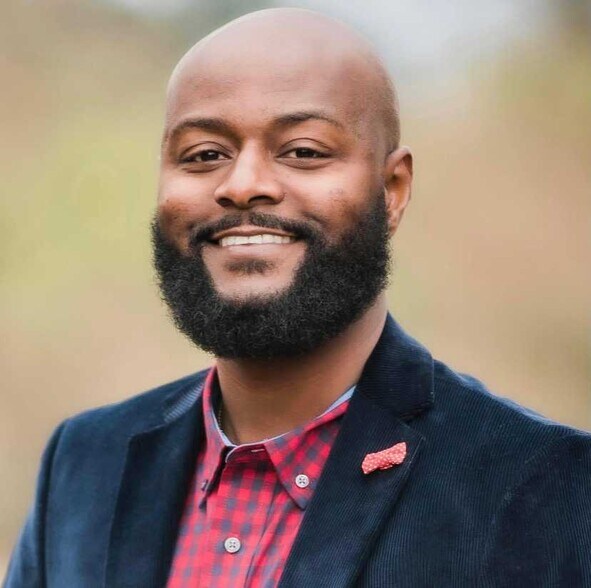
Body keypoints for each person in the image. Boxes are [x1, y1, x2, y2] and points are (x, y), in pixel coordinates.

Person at [4, 8, 590, 588]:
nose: (242, 185)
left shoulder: (546, 487)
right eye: (204, 154)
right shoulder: (86, 465)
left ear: (392, 190)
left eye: (303, 151)